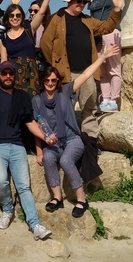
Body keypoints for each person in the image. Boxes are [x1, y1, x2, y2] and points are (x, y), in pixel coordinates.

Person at [33, 45, 120, 218]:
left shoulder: (65, 91)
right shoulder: (36, 100)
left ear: (58, 81)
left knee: (66, 160)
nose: (50, 83)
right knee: (49, 158)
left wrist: (102, 58)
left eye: (53, 80)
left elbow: (86, 75)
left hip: (72, 139)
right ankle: (57, 198)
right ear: (42, 82)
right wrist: (39, 151)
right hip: (53, 142)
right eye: (47, 81)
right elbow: (37, 125)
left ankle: (81, 199)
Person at [0, 61, 53, 240]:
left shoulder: (23, 97)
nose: (8, 76)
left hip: (17, 145)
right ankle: (8, 209)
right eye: (4, 73)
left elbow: (29, 122)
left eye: (11, 73)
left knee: (24, 187)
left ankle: (35, 224)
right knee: (1, 179)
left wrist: (45, 137)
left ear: (15, 76)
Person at [40, 0, 123, 139]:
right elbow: (45, 43)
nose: (81, 4)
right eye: (78, 1)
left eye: (84, 1)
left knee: (89, 108)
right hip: (66, 73)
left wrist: (116, 9)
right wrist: (54, 63)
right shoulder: (57, 18)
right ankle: (64, 141)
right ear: (70, 1)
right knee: (65, 108)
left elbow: (106, 27)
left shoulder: (87, 20)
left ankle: (90, 141)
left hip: (86, 72)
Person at [89, 0, 133, 112]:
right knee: (102, 70)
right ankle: (106, 98)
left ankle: (114, 99)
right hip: (98, 36)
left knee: (114, 68)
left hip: (112, 33)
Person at [0, 0, 57, 99]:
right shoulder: (3, 37)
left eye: (18, 15)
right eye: (12, 15)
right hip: (13, 72)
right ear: (7, 18)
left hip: (31, 72)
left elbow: (41, 12)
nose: (15, 17)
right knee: (15, 103)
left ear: (22, 16)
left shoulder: (29, 30)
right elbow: (4, 61)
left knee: (33, 102)